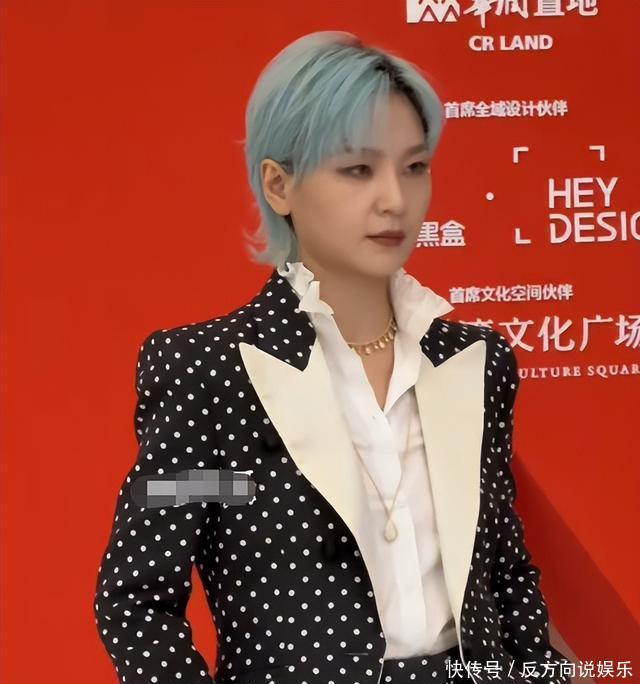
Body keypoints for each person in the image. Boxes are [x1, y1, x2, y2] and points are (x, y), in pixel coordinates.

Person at [93, 31, 572, 684]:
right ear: (278, 185)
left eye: (414, 167)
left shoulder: (475, 364)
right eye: (357, 169)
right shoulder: (209, 374)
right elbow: (136, 598)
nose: (395, 199)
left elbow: (505, 574)